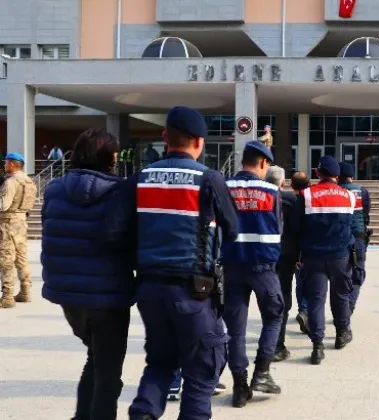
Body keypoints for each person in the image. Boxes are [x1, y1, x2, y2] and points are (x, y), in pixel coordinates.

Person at [106, 106, 239, 420]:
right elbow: (232, 229)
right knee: (202, 371)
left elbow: (113, 233)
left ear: (165, 137)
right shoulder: (208, 179)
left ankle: (143, 414)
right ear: (199, 142)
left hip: (149, 289)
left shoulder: (139, 179)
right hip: (194, 292)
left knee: (160, 363)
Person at [40, 128, 134, 419]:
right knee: (108, 375)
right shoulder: (121, 192)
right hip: (109, 296)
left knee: (95, 359)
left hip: (69, 297)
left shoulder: (54, 189)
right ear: (110, 158)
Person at [220, 142, 284, 408]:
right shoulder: (271, 190)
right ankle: (262, 372)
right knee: (274, 315)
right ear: (261, 163)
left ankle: (239, 386)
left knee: (235, 330)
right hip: (263, 266)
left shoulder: (223, 187)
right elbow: (278, 226)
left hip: (231, 265)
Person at [291, 156, 356, 365]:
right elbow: (349, 226)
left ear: (318, 174)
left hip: (313, 257)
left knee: (316, 300)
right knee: (341, 296)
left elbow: (296, 227)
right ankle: (341, 334)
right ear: (337, 175)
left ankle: (317, 346)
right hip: (341, 257)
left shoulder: (306, 195)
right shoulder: (349, 196)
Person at [0, 153, 36, 308]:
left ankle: (7, 296)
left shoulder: (11, 182)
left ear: (13, 164)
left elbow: (3, 205)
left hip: (7, 223)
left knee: (6, 258)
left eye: (6, 163)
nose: (4, 166)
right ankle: (25, 291)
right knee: (21, 258)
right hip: (21, 221)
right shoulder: (29, 181)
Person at [271, 167, 299, 362]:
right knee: (283, 297)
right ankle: (277, 345)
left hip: (262, 253)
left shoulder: (259, 195)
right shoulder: (290, 199)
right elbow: (298, 228)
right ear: (282, 182)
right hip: (286, 253)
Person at [338, 162, 371, 314]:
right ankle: (349, 307)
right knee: (358, 275)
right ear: (352, 176)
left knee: (339, 277)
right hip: (358, 237)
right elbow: (365, 215)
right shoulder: (362, 192)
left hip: (338, 239)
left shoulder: (335, 191)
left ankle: (342, 309)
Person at [288, 172, 311, 334]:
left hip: (291, 248)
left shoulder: (287, 200)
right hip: (307, 247)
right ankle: (304, 310)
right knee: (309, 281)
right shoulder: (309, 200)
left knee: (299, 281)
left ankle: (301, 309)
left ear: (291, 185)